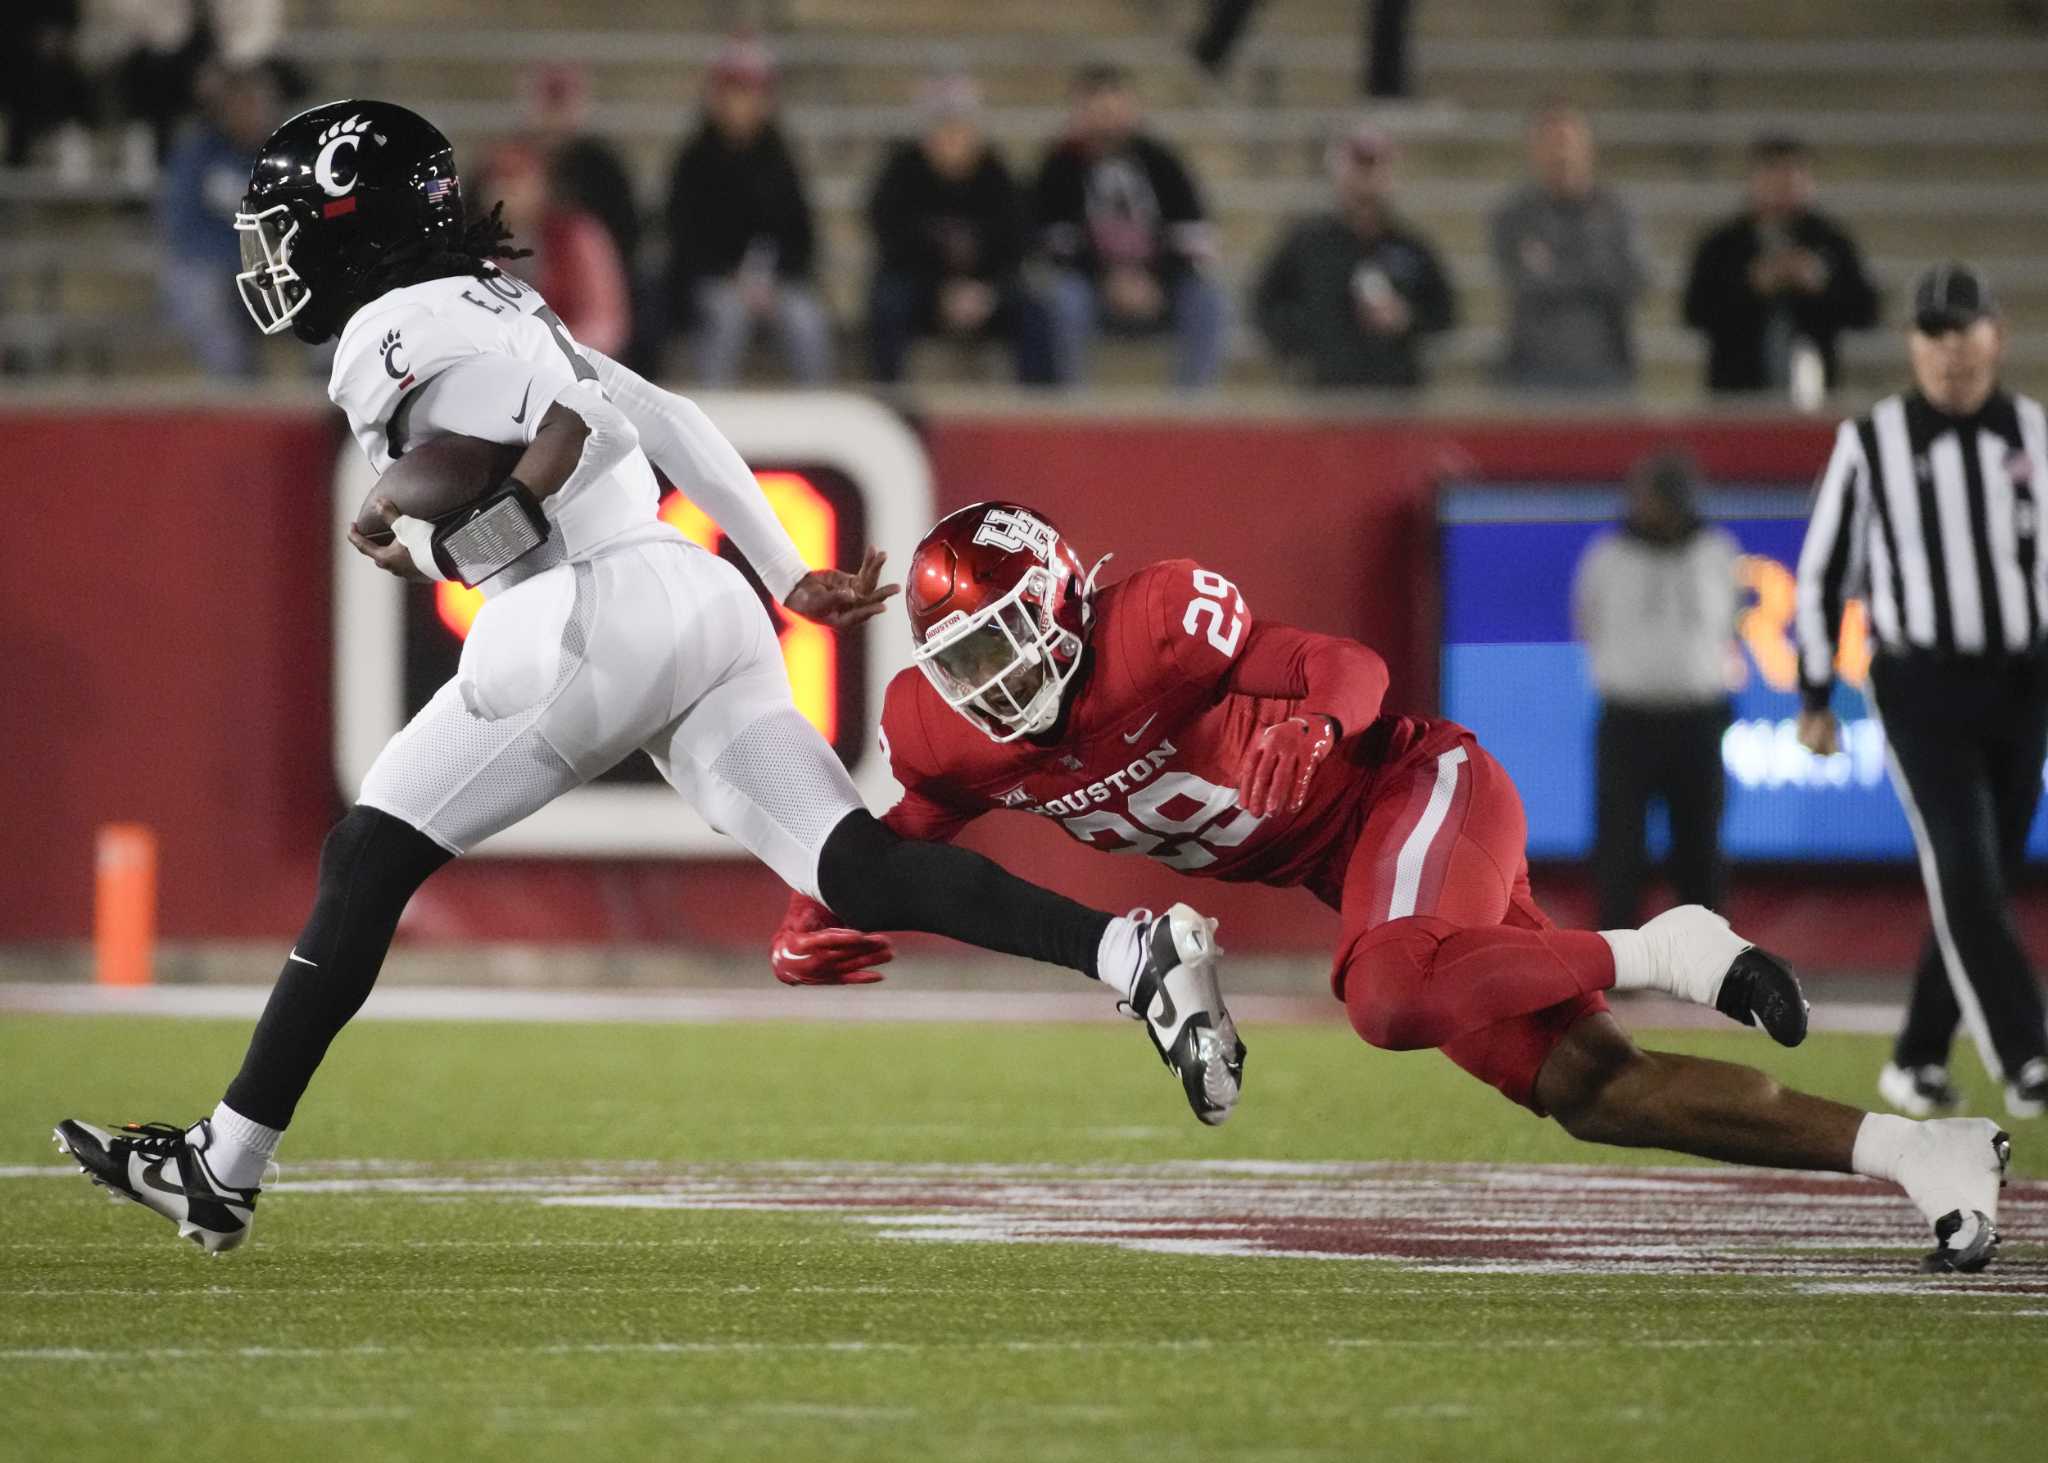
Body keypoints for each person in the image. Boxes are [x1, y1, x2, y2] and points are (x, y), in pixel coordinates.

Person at [50, 101, 1240, 1255]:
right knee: (856, 870)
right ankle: (1132, 954)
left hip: (578, 613)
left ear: (346, 220)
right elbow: (659, 412)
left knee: (367, 857)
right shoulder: (496, 294)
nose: (281, 252)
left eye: (291, 223)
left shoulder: (386, 330)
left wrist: (410, 523)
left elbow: (528, 462)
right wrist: (782, 571)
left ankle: (225, 1166)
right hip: (697, 596)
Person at [772, 499, 2018, 1276]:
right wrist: (827, 895)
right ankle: (1921, 1152)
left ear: (1059, 599)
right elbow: (906, 838)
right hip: (1354, 867)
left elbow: (1349, 666)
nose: (988, 678)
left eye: (1002, 637)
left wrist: (1311, 732)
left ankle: (1659, 945)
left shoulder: (1156, 620)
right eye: (961, 657)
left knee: (1382, 994)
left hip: (1412, 790)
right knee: (1594, 1089)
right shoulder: (946, 731)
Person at [1795, 262, 2048, 1122]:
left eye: (1964, 330)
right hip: (1922, 686)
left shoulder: (2034, 433)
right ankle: (2031, 1054)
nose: (1950, 350)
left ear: (1996, 335)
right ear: (1912, 345)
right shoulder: (1870, 443)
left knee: (1982, 879)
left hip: (2023, 681)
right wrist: (1814, 692)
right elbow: (1823, 574)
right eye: (1933, 333)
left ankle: (1916, 1057)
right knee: (1967, 868)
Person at [1573, 451, 1740, 929]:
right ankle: (1620, 962)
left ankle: (1707, 963)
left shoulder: (1716, 552)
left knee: (1700, 848)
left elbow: (1728, 624)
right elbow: (1588, 622)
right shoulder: (1606, 557)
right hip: (1628, 722)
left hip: (1697, 721)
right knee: (1619, 849)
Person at [1034, 63, 1227, 390]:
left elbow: (1195, 235)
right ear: (1080, 111)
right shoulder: (1059, 167)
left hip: (1159, 288)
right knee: (1064, 300)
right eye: (1098, 107)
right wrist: (1108, 279)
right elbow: (1050, 239)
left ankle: (1192, 410)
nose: (1108, 117)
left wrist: (1155, 279)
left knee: (1210, 301)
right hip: (1090, 288)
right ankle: (1073, 406)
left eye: (1116, 106)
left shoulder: (1163, 162)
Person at [662, 36, 832, 386]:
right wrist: (728, 276)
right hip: (714, 283)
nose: (741, 104)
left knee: (807, 319)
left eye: (751, 92)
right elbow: (683, 236)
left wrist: (776, 279)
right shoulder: (694, 159)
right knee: (727, 316)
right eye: (733, 91)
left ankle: (816, 417)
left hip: (777, 284)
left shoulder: (780, 158)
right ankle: (712, 423)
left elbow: (802, 234)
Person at [864, 74, 1054, 387]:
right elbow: (891, 242)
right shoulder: (901, 174)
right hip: (923, 292)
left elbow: (1016, 243)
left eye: (961, 129)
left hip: (986, 293)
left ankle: (1041, 410)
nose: (953, 139)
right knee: (888, 301)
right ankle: (889, 395)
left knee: (1034, 309)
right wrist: (940, 291)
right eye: (944, 128)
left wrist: (987, 291)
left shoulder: (998, 176)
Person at [1251, 122, 1454, 389]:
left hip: (1395, 393)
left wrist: (1406, 318)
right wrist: (1308, 340)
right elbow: (1264, 303)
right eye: (1358, 163)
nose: (1365, 176)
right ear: (1338, 170)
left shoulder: (1411, 246)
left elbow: (1444, 312)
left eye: (1374, 164)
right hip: (1326, 393)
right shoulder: (1306, 243)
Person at [1682, 135, 1879, 397]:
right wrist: (1751, 285)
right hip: (1736, 390)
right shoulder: (1723, 243)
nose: (1785, 184)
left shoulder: (1830, 241)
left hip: (1814, 390)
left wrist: (1821, 285)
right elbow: (1695, 311)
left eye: (1796, 173)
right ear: (1754, 180)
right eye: (1775, 173)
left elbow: (1866, 312)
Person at [1490, 100, 1646, 394]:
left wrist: (1554, 270)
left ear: (1588, 148)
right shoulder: (1513, 216)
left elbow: (1633, 281)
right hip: (1532, 372)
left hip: (1607, 369)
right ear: (1533, 150)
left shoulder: (1618, 213)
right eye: (1550, 142)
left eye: (1567, 141)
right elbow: (1522, 281)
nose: (1560, 153)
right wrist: (1593, 269)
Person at [156, 62, 282, 376]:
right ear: (224, 109)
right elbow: (181, 229)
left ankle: (328, 391)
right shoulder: (197, 154)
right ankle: (235, 392)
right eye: (243, 104)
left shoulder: (287, 154)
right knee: (199, 291)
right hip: (212, 264)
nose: (252, 113)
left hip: (272, 264)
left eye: (259, 104)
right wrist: (239, 259)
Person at [481, 139, 631, 358]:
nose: (503, 191)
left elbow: (605, 323)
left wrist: (549, 351)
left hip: (572, 366)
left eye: (515, 180)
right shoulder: (477, 247)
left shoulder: (580, 237)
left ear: (541, 184)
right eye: (497, 181)